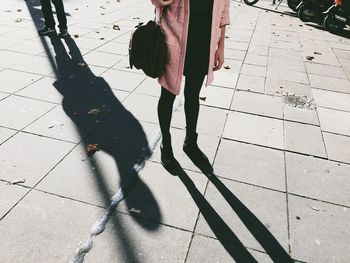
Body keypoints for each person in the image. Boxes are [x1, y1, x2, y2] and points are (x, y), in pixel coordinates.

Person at [151, 0, 230, 174]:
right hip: (173, 42)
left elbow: (223, 12)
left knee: (193, 96)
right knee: (167, 95)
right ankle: (166, 143)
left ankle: (191, 143)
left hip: (203, 43)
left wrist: (220, 47)